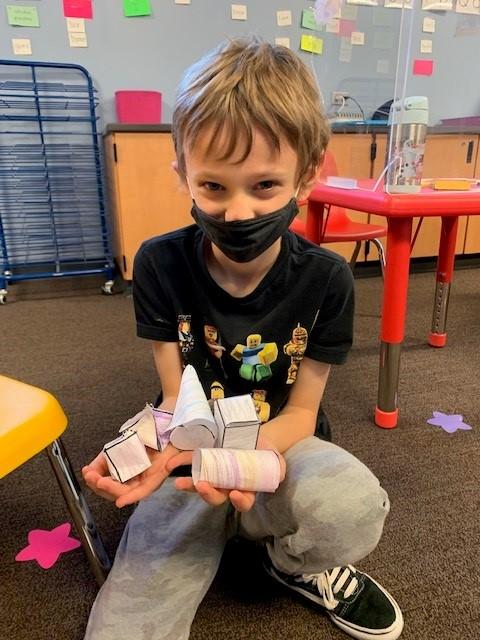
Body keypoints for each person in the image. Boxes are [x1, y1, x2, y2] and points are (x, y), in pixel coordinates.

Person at [82, 36, 403, 640]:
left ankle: (289, 565)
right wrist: (150, 447)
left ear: (305, 177)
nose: (235, 214)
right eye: (213, 187)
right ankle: (209, 529)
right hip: (188, 453)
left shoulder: (327, 278)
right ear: (183, 174)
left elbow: (302, 413)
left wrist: (233, 464)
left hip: (279, 448)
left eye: (263, 187)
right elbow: (174, 396)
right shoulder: (159, 263)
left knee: (351, 509)